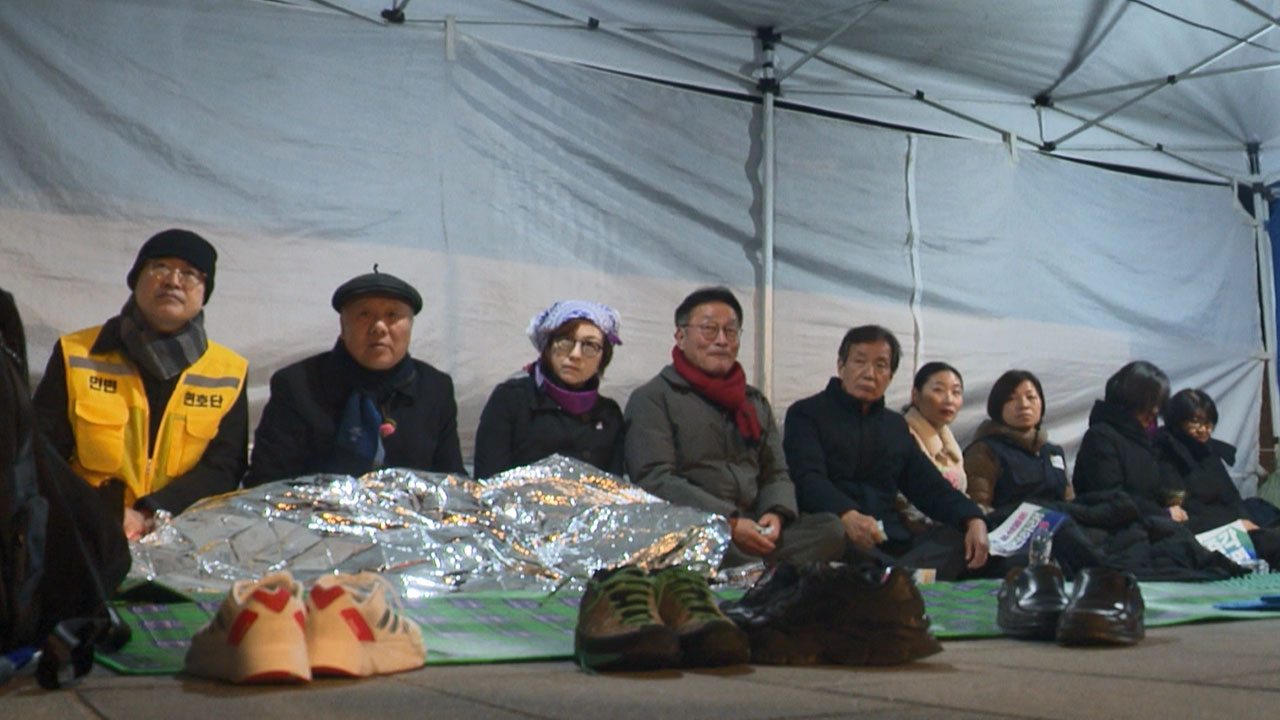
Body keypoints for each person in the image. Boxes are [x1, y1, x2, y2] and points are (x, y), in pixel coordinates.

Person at [33, 230, 248, 539]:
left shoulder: (229, 371)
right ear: (136, 279)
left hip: (183, 537)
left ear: (204, 294)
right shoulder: (76, 353)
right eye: (159, 267)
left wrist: (153, 510)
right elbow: (43, 452)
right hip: (84, 531)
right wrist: (106, 511)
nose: (173, 281)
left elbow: (225, 467)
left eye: (189, 273)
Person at [624, 286, 845, 567]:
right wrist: (729, 520)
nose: (721, 341)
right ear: (680, 337)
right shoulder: (654, 398)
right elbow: (654, 479)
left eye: (730, 332)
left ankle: (754, 562)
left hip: (753, 525)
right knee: (682, 543)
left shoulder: (753, 401)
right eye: (709, 330)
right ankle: (762, 564)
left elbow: (776, 472)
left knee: (831, 530)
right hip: (697, 526)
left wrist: (775, 514)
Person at [784, 325, 989, 580]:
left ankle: (897, 577)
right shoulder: (806, 414)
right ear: (841, 366)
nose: (869, 374)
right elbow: (807, 478)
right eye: (859, 361)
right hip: (836, 532)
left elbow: (929, 485)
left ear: (890, 376)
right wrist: (846, 514)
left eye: (881, 366)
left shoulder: (894, 426)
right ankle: (900, 579)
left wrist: (972, 518)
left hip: (890, 539)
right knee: (836, 542)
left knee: (965, 540)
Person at [245, 267, 464, 484]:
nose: (379, 327)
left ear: (410, 326)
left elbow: (453, 481)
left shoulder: (435, 388)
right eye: (364, 315)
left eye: (392, 315)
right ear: (342, 326)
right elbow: (266, 481)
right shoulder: (298, 385)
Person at [473, 300, 624, 478]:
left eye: (590, 346)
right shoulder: (512, 399)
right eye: (566, 341)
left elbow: (614, 488)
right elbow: (488, 480)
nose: (575, 354)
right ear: (548, 346)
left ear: (603, 358)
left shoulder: (609, 414)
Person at [1155, 389, 1280, 566]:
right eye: (1195, 422)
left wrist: (1246, 522)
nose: (1204, 430)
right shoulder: (1166, 456)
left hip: (1233, 526)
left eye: (1208, 423)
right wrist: (1234, 525)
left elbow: (1231, 496)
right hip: (1200, 535)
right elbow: (1182, 513)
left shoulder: (1207, 453)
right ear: (1177, 422)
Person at [963, 370, 1074, 515]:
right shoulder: (984, 451)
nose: (1024, 405)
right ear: (997, 406)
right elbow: (977, 508)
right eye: (1011, 399)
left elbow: (1069, 501)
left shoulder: (1053, 451)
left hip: (1061, 528)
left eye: (1031, 397)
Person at [1073, 361, 1171, 518]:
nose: (1155, 410)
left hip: (1148, 525)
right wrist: (1163, 514)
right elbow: (1110, 498)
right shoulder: (1101, 437)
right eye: (1150, 402)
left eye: (1158, 404)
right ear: (1130, 397)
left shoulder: (1144, 438)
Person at [895, 361, 967, 529]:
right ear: (915, 395)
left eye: (956, 392)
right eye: (938, 390)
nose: (949, 399)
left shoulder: (949, 441)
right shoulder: (901, 434)